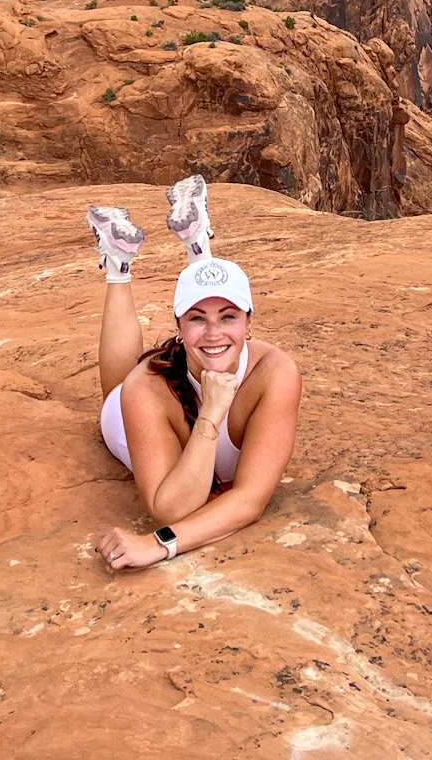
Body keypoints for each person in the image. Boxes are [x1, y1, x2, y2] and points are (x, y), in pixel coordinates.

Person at [90, 175, 302, 571]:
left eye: (229, 316)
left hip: (187, 383)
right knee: (116, 391)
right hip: (126, 414)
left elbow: (250, 500)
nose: (215, 331)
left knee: (211, 343)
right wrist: (210, 414)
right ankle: (119, 265)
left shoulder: (276, 373)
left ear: (250, 323)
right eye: (196, 319)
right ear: (178, 327)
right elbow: (173, 508)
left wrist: (157, 546)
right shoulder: (144, 390)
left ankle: (193, 246)